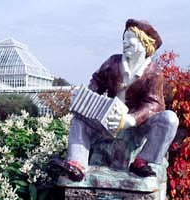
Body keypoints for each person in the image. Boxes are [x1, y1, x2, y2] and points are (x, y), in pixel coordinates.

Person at [49, 19, 179, 181]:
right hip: (108, 120)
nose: (125, 42)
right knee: (79, 119)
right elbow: (96, 81)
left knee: (170, 119)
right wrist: (86, 98)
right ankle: (76, 164)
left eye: (130, 38)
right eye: (123, 39)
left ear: (145, 43)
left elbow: (154, 104)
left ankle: (142, 161)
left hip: (136, 126)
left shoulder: (154, 73)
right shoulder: (113, 63)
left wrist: (131, 119)